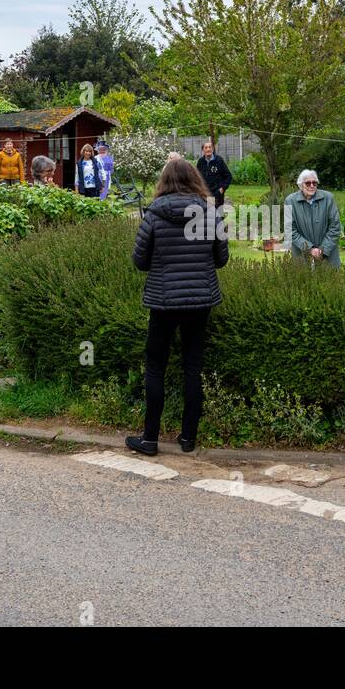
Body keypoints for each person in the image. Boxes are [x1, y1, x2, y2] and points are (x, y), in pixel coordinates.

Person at [126, 158, 229, 456]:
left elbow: (139, 261)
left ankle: (149, 439)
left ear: (164, 182)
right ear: (195, 179)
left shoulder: (154, 216)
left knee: (156, 367)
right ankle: (188, 439)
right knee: (192, 367)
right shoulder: (210, 215)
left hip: (163, 299)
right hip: (201, 300)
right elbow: (221, 260)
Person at [284, 169, 342, 268]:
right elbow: (290, 230)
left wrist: (322, 250)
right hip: (301, 254)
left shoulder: (328, 198)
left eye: (314, 183)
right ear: (301, 185)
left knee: (330, 282)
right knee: (303, 281)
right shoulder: (290, 201)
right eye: (308, 183)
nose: (312, 186)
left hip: (327, 255)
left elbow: (335, 226)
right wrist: (309, 249)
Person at [196, 141, 233, 207]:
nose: (208, 149)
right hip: (204, 193)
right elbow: (197, 177)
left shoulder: (219, 160)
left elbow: (228, 176)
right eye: (206, 147)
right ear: (203, 150)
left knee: (218, 214)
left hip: (217, 193)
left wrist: (222, 188)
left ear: (213, 149)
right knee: (207, 214)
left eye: (210, 147)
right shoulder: (200, 161)